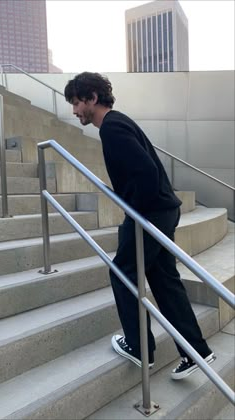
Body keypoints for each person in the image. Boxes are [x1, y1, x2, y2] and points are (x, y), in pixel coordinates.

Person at [64, 72, 215, 380]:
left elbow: (145, 172)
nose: (75, 111)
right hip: (162, 210)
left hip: (148, 214)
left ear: (93, 98)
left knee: (122, 272)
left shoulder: (113, 128)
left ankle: (137, 346)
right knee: (163, 280)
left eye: (77, 102)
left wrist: (134, 212)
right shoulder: (119, 123)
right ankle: (196, 350)